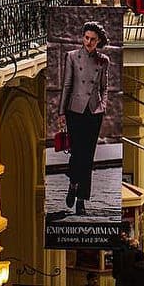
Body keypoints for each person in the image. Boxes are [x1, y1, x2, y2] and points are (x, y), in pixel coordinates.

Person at [57, 21, 112, 216]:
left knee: (88, 156)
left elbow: (105, 87)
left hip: (93, 111)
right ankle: (73, 183)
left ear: (98, 41)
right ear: (83, 38)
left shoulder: (103, 60)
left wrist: (102, 105)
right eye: (86, 38)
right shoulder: (72, 56)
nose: (89, 42)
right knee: (77, 152)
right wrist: (61, 112)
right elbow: (67, 84)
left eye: (93, 39)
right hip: (75, 109)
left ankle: (81, 199)